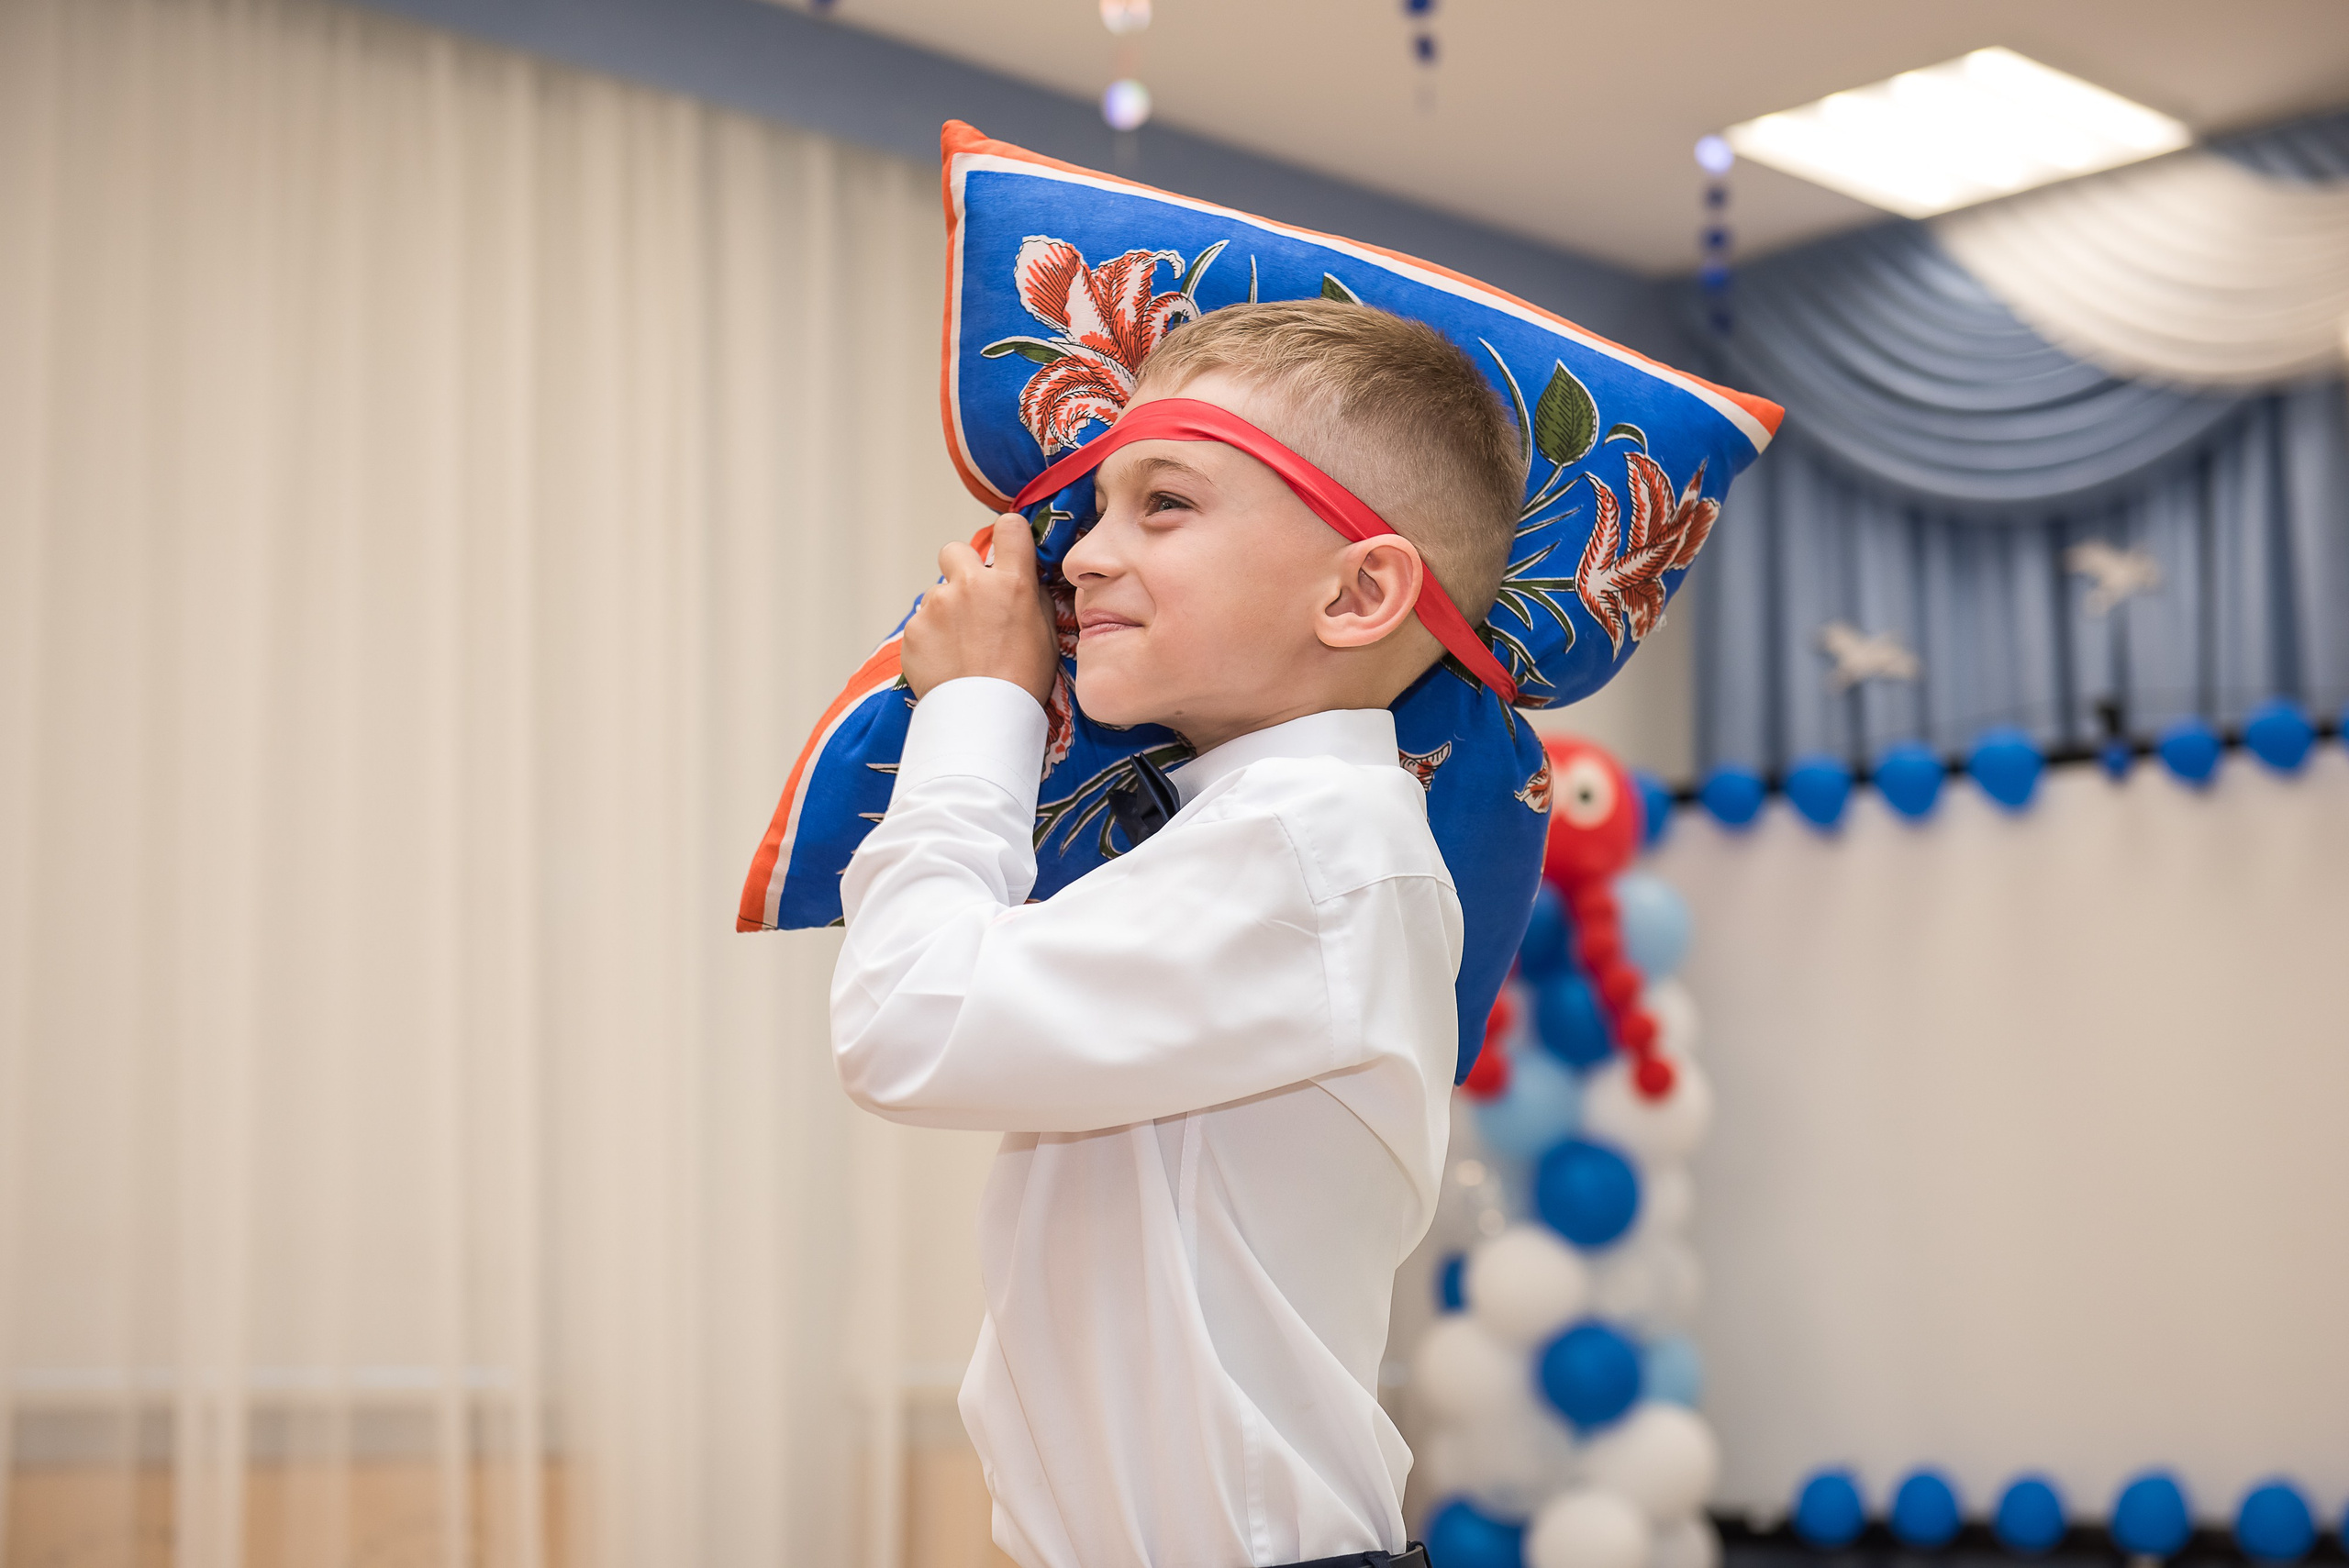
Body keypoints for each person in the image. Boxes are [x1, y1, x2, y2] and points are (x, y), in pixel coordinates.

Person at [829, 299, 1526, 1568]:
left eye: (1164, 504)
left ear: (1360, 591)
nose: (1083, 557)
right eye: (1095, 509)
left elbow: (905, 1023)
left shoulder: (1317, 845)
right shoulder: (1265, 838)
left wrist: (980, 707)